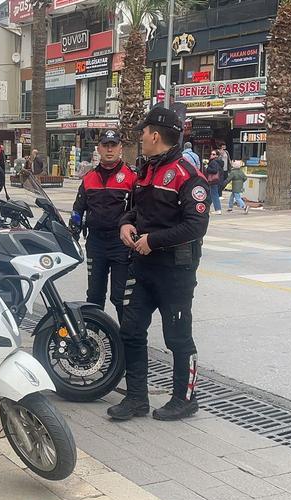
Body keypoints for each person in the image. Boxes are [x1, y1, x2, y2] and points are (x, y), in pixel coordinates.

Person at [110, 105, 209, 421]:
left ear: (155, 134)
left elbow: (196, 226)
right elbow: (135, 209)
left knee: (178, 337)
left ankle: (185, 398)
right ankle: (137, 399)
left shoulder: (188, 176)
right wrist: (126, 223)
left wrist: (153, 240)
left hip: (175, 271)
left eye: (142, 132)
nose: (140, 138)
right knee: (131, 330)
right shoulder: (146, 170)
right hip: (144, 268)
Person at [70, 130, 137, 318]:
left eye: (113, 145)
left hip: (121, 244)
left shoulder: (131, 177)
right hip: (96, 243)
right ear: (98, 148)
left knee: (121, 296)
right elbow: (78, 209)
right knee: (94, 296)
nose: (109, 150)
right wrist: (72, 230)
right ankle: (94, 336)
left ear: (120, 148)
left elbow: (139, 210)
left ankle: (127, 340)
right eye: (105, 145)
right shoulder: (89, 177)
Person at [205, 150, 224, 215]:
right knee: (210, 195)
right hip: (217, 181)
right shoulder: (218, 162)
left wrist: (207, 168)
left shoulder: (214, 162)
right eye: (211, 154)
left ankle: (218, 209)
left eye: (213, 154)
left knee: (214, 195)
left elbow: (214, 171)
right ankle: (206, 208)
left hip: (213, 181)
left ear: (216, 155)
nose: (211, 155)